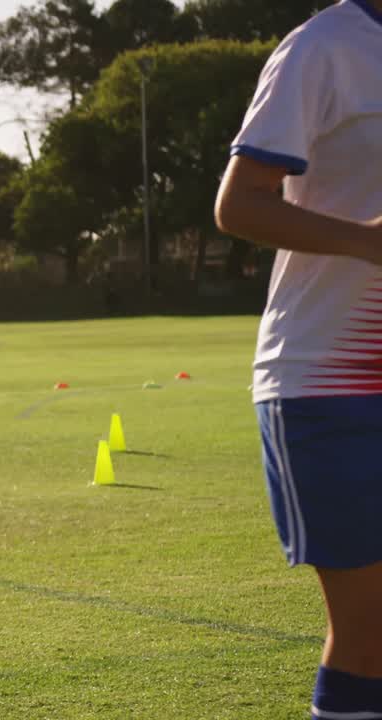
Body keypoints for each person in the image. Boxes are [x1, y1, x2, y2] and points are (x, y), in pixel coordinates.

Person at [214, 2, 382, 717]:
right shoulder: (323, 47)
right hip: (329, 383)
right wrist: (370, 240)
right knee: (371, 634)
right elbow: (239, 206)